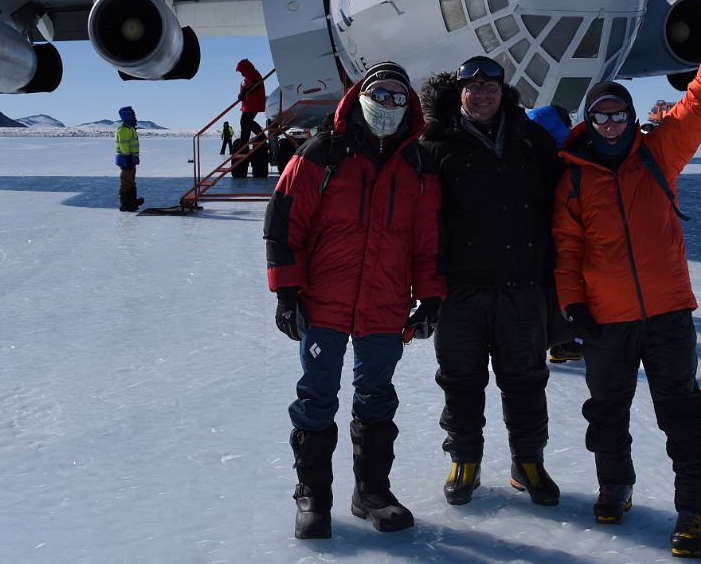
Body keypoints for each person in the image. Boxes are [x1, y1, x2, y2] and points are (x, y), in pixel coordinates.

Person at [552, 1, 701, 559]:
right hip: (607, 318)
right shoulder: (574, 180)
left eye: (620, 115)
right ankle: (616, 485)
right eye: (602, 116)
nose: (611, 125)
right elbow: (567, 249)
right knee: (606, 410)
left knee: (681, 412)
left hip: (668, 313)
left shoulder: (659, 152)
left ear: (633, 118)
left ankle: (695, 512)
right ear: (590, 120)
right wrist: (572, 304)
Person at [264, 61, 445, 540]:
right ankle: (313, 498)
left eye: (397, 97)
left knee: (377, 396)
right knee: (316, 395)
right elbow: (285, 223)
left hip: (385, 305)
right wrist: (286, 292)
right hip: (323, 301)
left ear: (409, 106)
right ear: (360, 97)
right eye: (379, 94)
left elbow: (430, 241)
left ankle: (371, 493)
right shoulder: (322, 153)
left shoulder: (419, 165)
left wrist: (429, 298)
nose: (387, 105)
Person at [419, 55, 564, 508]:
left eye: (490, 89)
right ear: (459, 93)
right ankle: (465, 460)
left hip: (522, 287)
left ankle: (529, 461)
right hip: (461, 289)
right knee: (460, 380)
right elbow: (419, 222)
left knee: (526, 379)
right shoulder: (436, 144)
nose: (481, 97)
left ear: (504, 93)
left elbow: (564, 206)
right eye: (472, 90)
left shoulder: (531, 139)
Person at [527, 102, 581, 364]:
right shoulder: (563, 147)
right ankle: (561, 344)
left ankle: (553, 345)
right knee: (560, 287)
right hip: (558, 231)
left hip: (532, 235)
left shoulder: (524, 139)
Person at [234, 59, 268, 177]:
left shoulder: (253, 75)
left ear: (246, 69)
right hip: (249, 104)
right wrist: (243, 94)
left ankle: (245, 142)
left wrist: (244, 93)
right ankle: (247, 141)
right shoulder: (249, 76)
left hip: (253, 104)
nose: (242, 74)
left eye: (242, 71)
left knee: (245, 121)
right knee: (246, 121)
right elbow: (249, 86)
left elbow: (254, 85)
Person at [114, 106, 143, 212]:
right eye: (132, 115)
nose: (134, 117)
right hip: (125, 158)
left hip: (131, 158)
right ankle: (126, 204)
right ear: (127, 115)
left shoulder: (129, 127)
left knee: (131, 180)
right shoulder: (124, 128)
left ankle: (132, 200)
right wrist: (127, 156)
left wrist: (134, 157)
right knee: (126, 181)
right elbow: (123, 144)